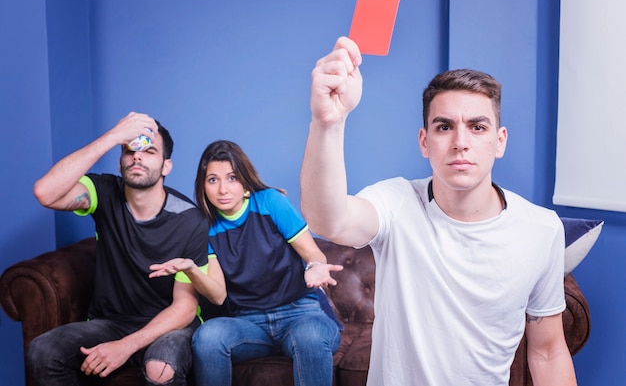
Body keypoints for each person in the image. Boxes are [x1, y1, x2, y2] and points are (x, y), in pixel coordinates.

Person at [300, 36, 577, 386]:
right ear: (424, 141)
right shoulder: (397, 202)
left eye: (477, 127)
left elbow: (548, 351)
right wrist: (327, 123)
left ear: (500, 140)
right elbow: (328, 218)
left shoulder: (542, 229)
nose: (460, 141)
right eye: (444, 126)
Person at [26, 112, 226, 386]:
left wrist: (125, 346)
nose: (137, 157)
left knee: (161, 368)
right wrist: (111, 137)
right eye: (129, 150)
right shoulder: (103, 191)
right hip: (110, 322)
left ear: (166, 166)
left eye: (149, 151)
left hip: (168, 325)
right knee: (42, 352)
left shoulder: (190, 220)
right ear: (120, 160)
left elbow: (184, 308)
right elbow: (44, 192)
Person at [150, 139, 343, 386]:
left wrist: (315, 267)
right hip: (248, 323)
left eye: (231, 178)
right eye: (213, 180)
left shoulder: (270, 202)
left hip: (300, 314)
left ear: (245, 182)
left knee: (311, 336)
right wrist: (192, 269)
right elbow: (218, 296)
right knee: (208, 337)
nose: (223, 190)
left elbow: (314, 255)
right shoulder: (204, 228)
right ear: (203, 186)